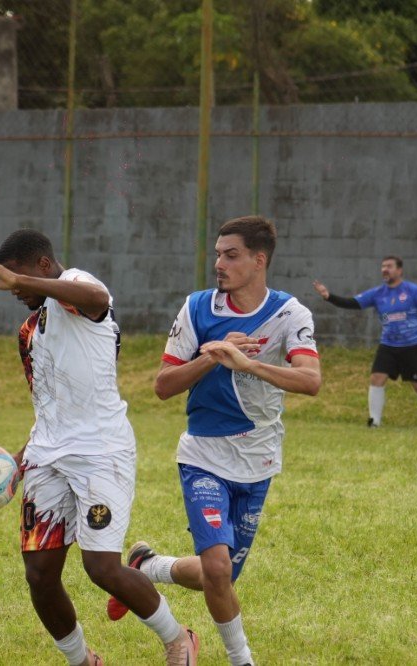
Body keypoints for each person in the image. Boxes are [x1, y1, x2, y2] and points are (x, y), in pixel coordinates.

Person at [0, 229, 200, 666]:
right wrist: (18, 459)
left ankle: (178, 639)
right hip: (46, 457)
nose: (12, 288)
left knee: (101, 568)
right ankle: (82, 661)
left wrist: (19, 280)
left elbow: (95, 298)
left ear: (42, 266)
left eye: (16, 276)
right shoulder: (29, 331)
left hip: (100, 453)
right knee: (39, 575)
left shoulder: (77, 289)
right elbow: (50, 405)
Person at [106, 216, 321, 666]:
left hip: (258, 459)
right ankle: (241, 659)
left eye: (231, 255)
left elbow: (310, 380)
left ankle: (148, 566)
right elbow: (163, 386)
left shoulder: (290, 313)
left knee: (217, 577)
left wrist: (247, 363)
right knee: (219, 570)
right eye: (218, 254)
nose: (219, 263)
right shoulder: (197, 308)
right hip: (202, 454)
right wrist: (213, 356)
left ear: (259, 260)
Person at [312, 256, 417, 428]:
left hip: (415, 345)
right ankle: (374, 422)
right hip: (388, 345)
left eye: (389, 266)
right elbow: (352, 303)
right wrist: (328, 296)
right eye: (383, 266)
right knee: (377, 378)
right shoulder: (378, 293)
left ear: (399, 270)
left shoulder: (414, 291)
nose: (385, 269)